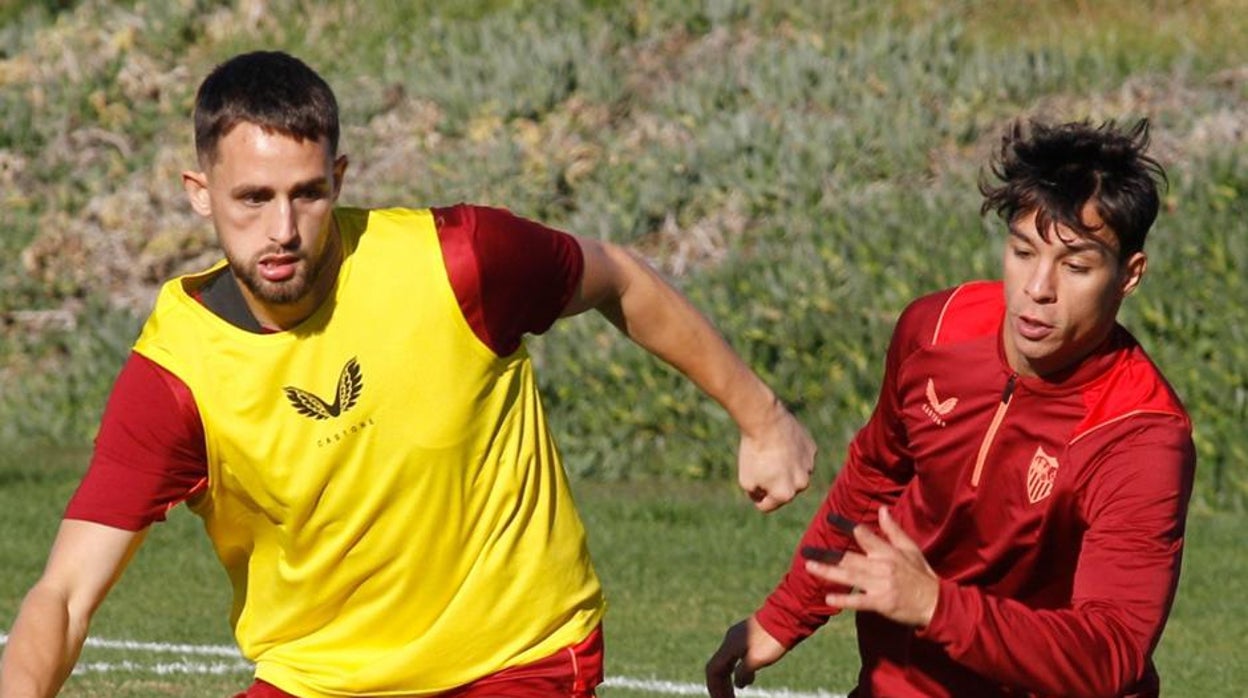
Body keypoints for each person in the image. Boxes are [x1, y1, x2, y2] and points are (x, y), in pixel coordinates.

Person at [0, 50, 816, 698]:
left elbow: (618, 278)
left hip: (515, 659)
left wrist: (762, 416)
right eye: (252, 198)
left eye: (307, 194)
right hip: (321, 679)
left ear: (341, 181)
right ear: (198, 193)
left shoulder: (457, 261)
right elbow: (66, 597)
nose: (282, 229)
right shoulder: (176, 375)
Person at [706, 118, 1194, 698]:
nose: (1039, 287)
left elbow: (1110, 653)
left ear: (1128, 276)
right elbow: (874, 480)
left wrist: (937, 606)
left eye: (1076, 266)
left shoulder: (1139, 436)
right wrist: (785, 617)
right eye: (1022, 251)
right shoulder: (935, 329)